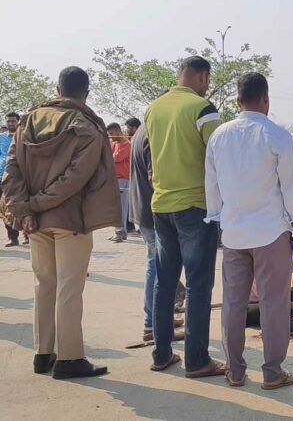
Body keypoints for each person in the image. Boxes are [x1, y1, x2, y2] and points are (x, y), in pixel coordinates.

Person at [0, 66, 121, 378]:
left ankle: (43, 354)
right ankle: (69, 359)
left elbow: (11, 171)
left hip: (34, 223)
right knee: (69, 287)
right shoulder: (88, 127)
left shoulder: (27, 122)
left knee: (44, 286)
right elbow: (74, 180)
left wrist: (24, 210)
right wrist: (35, 205)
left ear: (57, 89)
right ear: (87, 93)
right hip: (69, 220)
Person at [205, 72, 293, 389]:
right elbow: (291, 189)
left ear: (238, 101)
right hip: (270, 232)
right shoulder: (277, 135)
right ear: (266, 99)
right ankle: (273, 372)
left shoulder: (219, 136)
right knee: (273, 303)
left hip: (233, 234)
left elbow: (212, 186)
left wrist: (219, 217)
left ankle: (235, 371)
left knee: (233, 303)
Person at [145, 56, 223, 377]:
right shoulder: (203, 109)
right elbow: (221, 156)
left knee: (164, 284)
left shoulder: (154, 108)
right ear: (202, 76)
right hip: (195, 206)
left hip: (161, 206)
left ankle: (162, 354)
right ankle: (197, 360)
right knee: (198, 284)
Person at [128, 123, 185, 342]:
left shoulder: (143, 129)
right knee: (158, 266)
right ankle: (152, 324)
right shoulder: (153, 131)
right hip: (153, 212)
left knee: (157, 264)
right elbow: (156, 178)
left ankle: (160, 320)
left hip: (144, 209)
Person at [0, 112, 27, 247]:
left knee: (22, 205)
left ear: (18, 121)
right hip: (2, 177)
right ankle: (12, 237)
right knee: (5, 208)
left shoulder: (24, 136)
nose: (10, 124)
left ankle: (27, 234)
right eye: (8, 121)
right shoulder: (1, 139)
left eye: (13, 121)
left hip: (21, 177)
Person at [107, 123, 131, 242]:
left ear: (118, 132)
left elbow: (115, 158)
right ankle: (120, 231)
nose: (110, 137)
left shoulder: (126, 144)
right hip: (115, 179)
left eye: (111, 134)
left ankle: (120, 232)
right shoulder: (115, 144)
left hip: (122, 179)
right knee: (116, 206)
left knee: (121, 207)